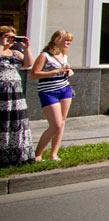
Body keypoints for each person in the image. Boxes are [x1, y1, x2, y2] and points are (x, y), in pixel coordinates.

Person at [30, 30, 75, 162]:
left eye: (70, 40)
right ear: (56, 39)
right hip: (48, 91)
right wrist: (54, 72)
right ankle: (38, 154)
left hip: (65, 89)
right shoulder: (45, 55)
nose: (68, 42)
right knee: (55, 124)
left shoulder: (64, 55)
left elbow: (65, 69)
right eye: (66, 40)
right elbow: (34, 74)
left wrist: (69, 71)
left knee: (61, 123)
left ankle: (54, 154)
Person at [0, 27, 35, 166]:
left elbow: (28, 64)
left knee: (16, 121)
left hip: (15, 92)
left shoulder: (14, 52)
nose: (10, 39)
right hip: (1, 91)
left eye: (13, 37)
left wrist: (26, 48)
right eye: (7, 36)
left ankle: (16, 154)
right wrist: (2, 44)